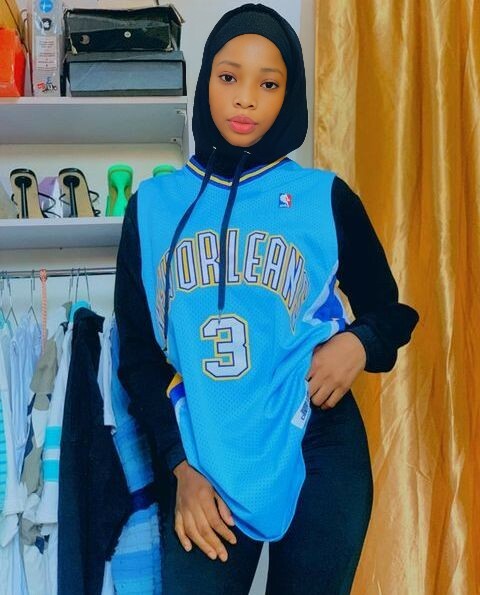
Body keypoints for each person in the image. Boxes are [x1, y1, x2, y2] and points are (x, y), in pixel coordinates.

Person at [114, 4, 419, 594]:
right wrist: (179, 468)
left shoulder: (323, 197)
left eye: (269, 84)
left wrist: (358, 344)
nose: (246, 99)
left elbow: (391, 309)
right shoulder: (152, 207)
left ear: (289, 94)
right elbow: (139, 357)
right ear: (206, 79)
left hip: (318, 442)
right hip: (204, 455)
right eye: (229, 77)